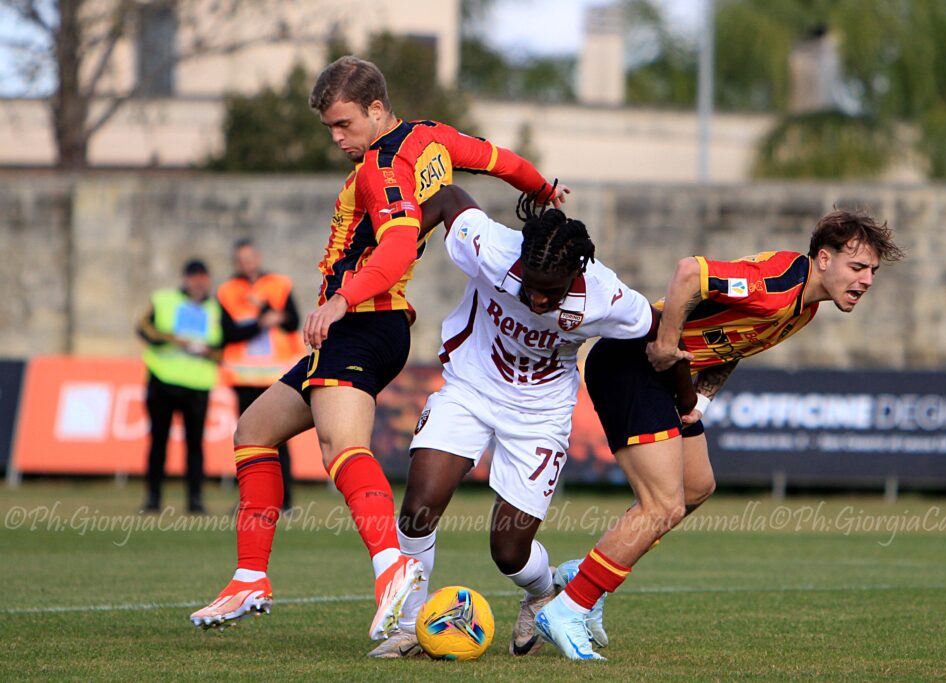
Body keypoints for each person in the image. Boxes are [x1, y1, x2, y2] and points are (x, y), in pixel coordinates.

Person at [190, 56, 568, 641]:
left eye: (343, 125)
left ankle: (392, 565)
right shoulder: (431, 139)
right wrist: (543, 188)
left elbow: (393, 250)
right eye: (330, 130)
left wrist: (340, 301)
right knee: (253, 433)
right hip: (367, 327)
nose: (337, 139)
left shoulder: (380, 168)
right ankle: (249, 577)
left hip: (365, 320)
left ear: (374, 108)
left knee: (340, 444)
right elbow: (500, 160)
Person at [536, 209, 905, 660]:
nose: (866, 280)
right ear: (824, 259)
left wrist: (699, 403)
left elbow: (734, 344)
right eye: (858, 267)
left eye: (872, 271)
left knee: (696, 487)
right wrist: (667, 344)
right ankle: (568, 608)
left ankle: (583, 575)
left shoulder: (803, 307)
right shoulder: (777, 286)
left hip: (668, 378)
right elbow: (690, 273)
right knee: (662, 504)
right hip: (631, 361)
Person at [367, 184, 656, 658]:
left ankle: (543, 591)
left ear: (576, 275)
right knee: (420, 504)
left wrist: (686, 399)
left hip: (539, 416)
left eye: (552, 293)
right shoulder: (491, 248)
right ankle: (407, 624)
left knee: (508, 551)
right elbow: (446, 198)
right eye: (532, 288)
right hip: (469, 388)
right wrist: (396, 248)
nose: (539, 302)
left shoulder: (605, 295)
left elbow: (654, 330)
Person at [218, 238, 304, 511]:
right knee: (249, 441)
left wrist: (265, 307)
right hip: (243, 378)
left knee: (281, 440)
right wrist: (262, 322)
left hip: (276, 376)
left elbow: (292, 322)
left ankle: (285, 500)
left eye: (250, 258)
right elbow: (228, 333)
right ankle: (253, 499)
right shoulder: (227, 291)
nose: (247, 264)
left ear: (258, 258)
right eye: (241, 260)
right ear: (236, 263)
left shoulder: (278, 284)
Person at [138, 259, 224, 515]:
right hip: (163, 380)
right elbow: (143, 329)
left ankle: (195, 501)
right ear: (185, 279)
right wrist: (174, 340)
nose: (199, 282)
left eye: (203, 277)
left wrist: (207, 351)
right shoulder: (164, 300)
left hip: (198, 384)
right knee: (158, 443)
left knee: (195, 446)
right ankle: (153, 499)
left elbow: (224, 348)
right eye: (194, 277)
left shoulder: (216, 309)